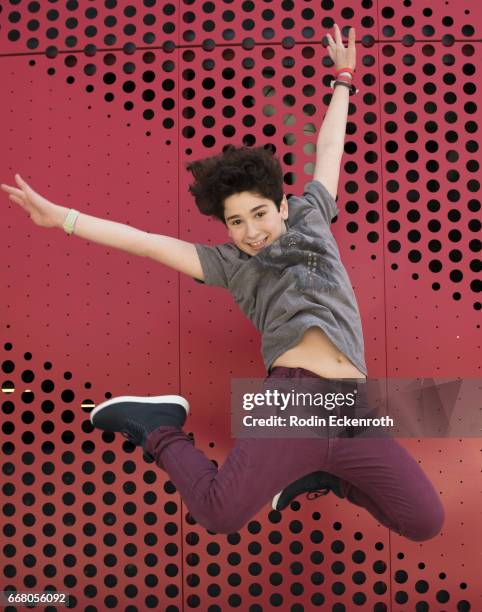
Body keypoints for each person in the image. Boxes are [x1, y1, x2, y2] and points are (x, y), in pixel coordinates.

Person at [1, 25, 444, 540]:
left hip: (350, 408)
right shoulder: (230, 263)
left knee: (424, 521)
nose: (251, 231)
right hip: (295, 400)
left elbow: (330, 149)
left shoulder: (311, 215)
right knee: (218, 513)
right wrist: (66, 219)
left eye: (259, 214)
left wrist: (343, 79)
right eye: (236, 222)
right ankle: (159, 427)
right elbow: (144, 240)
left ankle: (323, 476)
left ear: (282, 204)